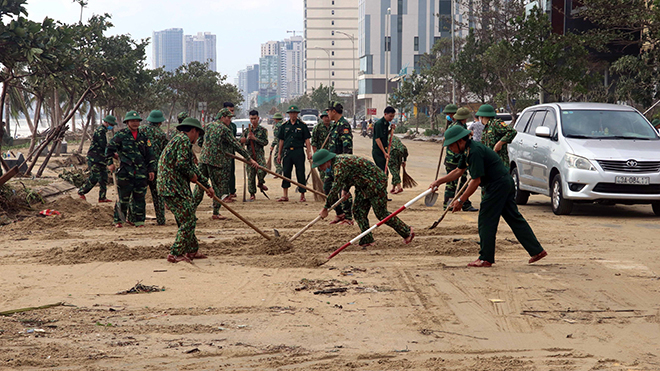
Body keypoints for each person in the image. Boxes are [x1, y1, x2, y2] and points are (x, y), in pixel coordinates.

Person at [429, 125, 547, 267]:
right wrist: (438, 182)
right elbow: (458, 171)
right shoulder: (467, 151)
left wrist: (461, 200)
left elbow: (476, 180)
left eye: (451, 145)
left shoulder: (474, 151)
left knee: (486, 220)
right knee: (514, 218)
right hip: (503, 183)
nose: (450, 149)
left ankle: (485, 258)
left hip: (498, 185)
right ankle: (537, 251)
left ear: (460, 141)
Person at [314, 149, 415, 247]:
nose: (321, 169)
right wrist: (345, 189)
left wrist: (325, 208)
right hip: (363, 185)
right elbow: (349, 176)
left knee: (381, 213)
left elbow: (335, 188)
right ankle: (367, 239)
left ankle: (407, 231)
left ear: (327, 161)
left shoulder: (339, 165)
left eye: (320, 166)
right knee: (358, 211)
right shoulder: (338, 162)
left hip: (376, 183)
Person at [157, 117, 215, 263]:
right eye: (198, 135)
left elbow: (192, 167)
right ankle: (175, 253)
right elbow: (182, 165)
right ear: (193, 131)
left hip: (172, 187)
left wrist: (207, 185)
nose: (197, 138)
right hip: (172, 188)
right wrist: (192, 176)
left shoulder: (181, 141)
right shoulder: (183, 141)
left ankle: (192, 250)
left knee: (185, 218)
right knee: (188, 220)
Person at [193, 108, 257, 219]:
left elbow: (200, 141)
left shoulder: (208, 126)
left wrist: (211, 148)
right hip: (216, 162)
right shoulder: (224, 129)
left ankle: (191, 210)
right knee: (218, 188)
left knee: (200, 186)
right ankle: (216, 212)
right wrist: (249, 158)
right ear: (222, 117)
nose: (230, 120)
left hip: (203, 160)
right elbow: (235, 145)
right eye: (228, 118)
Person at [106, 111, 156, 228]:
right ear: (127, 122)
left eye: (137, 121)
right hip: (125, 172)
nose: (135, 123)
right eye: (132, 121)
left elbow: (150, 154)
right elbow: (109, 150)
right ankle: (119, 220)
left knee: (139, 199)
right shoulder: (121, 135)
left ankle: (138, 221)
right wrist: (110, 163)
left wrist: (151, 170)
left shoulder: (143, 136)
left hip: (141, 173)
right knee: (123, 198)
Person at [276, 105, 313, 202]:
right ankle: (285, 195)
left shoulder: (302, 125)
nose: (293, 115)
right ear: (288, 114)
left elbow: (307, 140)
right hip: (287, 152)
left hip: (298, 151)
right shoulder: (284, 126)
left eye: (295, 113)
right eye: (291, 113)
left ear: (297, 114)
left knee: (300, 172)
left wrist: (309, 152)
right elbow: (281, 141)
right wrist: (279, 154)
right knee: (286, 172)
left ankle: (302, 194)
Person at [444, 107, 478, 212]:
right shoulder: (455, 127)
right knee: (452, 182)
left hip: (460, 157)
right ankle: (449, 204)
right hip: (453, 158)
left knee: (463, 181)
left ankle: (464, 203)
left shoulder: (461, 126)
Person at [139, 110, 169, 225]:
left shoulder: (141, 131)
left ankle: (137, 219)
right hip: (156, 169)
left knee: (139, 194)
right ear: (160, 122)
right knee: (158, 195)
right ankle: (161, 219)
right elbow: (165, 152)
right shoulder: (161, 135)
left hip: (142, 167)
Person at [325, 101, 353, 224]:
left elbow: (347, 148)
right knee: (327, 187)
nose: (327, 113)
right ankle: (339, 213)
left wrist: (345, 165)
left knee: (344, 190)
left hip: (341, 164)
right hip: (331, 162)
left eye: (328, 111)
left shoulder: (344, 125)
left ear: (334, 112)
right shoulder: (334, 125)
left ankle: (348, 216)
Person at [78, 115, 115, 203]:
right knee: (94, 177)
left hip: (101, 158)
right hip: (94, 158)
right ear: (106, 122)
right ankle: (81, 192)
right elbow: (104, 146)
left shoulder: (104, 131)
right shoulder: (100, 131)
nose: (112, 126)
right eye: (111, 124)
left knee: (104, 177)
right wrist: (113, 154)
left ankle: (102, 197)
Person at [477, 104, 517, 169]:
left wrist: (500, 143)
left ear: (482, 117)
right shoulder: (486, 128)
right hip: (491, 162)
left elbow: (512, 132)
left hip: (500, 162)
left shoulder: (496, 124)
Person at [241, 110, 269, 201]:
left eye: (255, 118)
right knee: (251, 175)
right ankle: (252, 193)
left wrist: (255, 139)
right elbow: (241, 143)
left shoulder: (263, 130)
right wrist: (245, 140)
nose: (253, 120)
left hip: (259, 154)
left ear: (258, 118)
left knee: (262, 170)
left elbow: (265, 142)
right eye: (251, 119)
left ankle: (260, 182)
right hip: (249, 155)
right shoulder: (246, 131)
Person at [372, 106, 396, 172]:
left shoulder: (386, 123)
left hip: (384, 150)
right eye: (390, 116)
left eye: (393, 116)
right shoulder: (379, 124)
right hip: (378, 151)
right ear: (385, 114)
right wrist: (384, 153)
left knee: (384, 171)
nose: (392, 118)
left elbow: (384, 135)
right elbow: (377, 139)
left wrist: (391, 129)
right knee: (383, 171)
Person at [224, 102, 238, 200]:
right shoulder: (218, 126)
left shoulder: (233, 126)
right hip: (221, 155)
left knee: (231, 172)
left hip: (231, 153)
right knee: (223, 175)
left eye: (233, 110)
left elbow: (233, 141)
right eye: (230, 110)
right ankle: (224, 194)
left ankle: (232, 191)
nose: (232, 113)